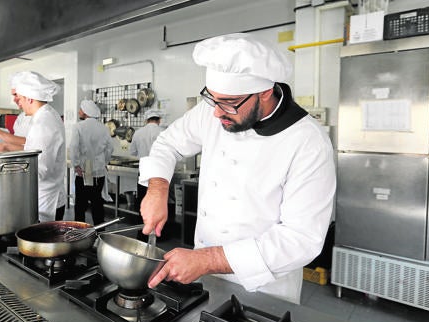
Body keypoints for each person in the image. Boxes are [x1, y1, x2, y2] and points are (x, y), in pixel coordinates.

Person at [139, 33, 336, 304]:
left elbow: (300, 239)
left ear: (265, 92)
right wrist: (157, 188)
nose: (217, 113)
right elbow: (168, 143)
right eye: (212, 99)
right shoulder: (214, 110)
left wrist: (209, 259)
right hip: (202, 275)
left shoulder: (308, 141)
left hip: (263, 288)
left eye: (229, 103)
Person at [0, 71, 66, 222]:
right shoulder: (44, 116)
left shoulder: (44, 123)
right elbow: (33, 149)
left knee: (41, 244)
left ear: (29, 98)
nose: (19, 103)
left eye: (20, 98)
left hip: (45, 201)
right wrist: (7, 148)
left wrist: (6, 175)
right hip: (39, 196)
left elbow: (39, 169)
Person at [69, 100, 113, 225]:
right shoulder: (103, 128)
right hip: (98, 171)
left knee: (80, 204)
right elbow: (110, 148)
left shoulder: (78, 126)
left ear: (86, 112)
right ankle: (100, 231)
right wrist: (105, 161)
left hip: (83, 170)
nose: (79, 111)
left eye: (81, 109)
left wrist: (76, 164)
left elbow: (73, 147)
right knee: (97, 202)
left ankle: (79, 231)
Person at [0, 71, 33, 145]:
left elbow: (32, 144)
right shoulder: (21, 117)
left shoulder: (43, 118)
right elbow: (17, 143)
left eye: (16, 95)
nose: (14, 100)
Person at [129, 109, 164, 214]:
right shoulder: (163, 132)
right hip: (159, 170)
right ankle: (157, 228)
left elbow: (133, 152)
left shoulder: (138, 133)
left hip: (144, 169)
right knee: (158, 201)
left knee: (143, 199)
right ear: (159, 120)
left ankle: (142, 228)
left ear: (146, 120)